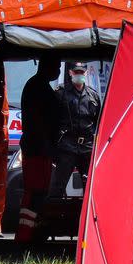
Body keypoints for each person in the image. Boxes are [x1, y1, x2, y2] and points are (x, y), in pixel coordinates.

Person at [15, 56, 61, 243]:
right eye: (56, 66)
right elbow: (39, 122)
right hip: (38, 149)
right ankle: (25, 236)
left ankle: (31, 234)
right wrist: (48, 147)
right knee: (35, 192)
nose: (58, 71)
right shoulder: (37, 87)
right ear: (46, 66)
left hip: (41, 148)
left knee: (38, 193)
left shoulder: (38, 86)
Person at [48, 62, 101, 198]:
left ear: (86, 73)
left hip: (87, 146)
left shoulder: (93, 96)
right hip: (67, 146)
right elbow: (52, 121)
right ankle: (53, 217)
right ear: (71, 73)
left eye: (81, 72)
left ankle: (85, 218)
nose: (79, 75)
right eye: (76, 72)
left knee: (90, 187)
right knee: (57, 187)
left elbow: (98, 122)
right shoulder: (60, 94)